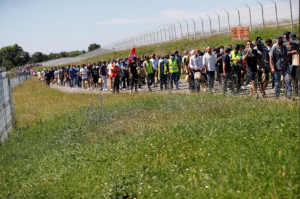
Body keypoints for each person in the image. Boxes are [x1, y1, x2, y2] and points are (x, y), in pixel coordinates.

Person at [270, 35, 291, 99]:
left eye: (280, 39)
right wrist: (272, 67)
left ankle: (289, 95)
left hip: (284, 67)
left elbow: (286, 57)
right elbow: (271, 58)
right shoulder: (274, 47)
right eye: (278, 39)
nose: (279, 40)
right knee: (277, 83)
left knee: (288, 80)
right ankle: (277, 96)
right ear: (276, 40)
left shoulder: (284, 47)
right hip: (277, 68)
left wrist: (288, 66)